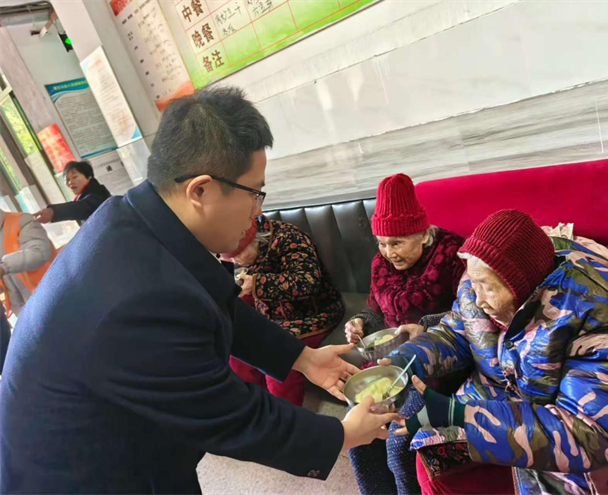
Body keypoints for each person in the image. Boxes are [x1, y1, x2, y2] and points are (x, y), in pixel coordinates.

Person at [0, 87, 399, 495]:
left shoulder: (135, 220)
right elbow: (231, 415)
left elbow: (220, 305)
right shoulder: (134, 299)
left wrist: (303, 358)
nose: (258, 209)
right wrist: (341, 435)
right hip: (82, 475)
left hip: (130, 439)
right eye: (254, 192)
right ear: (200, 190)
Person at [383, 209, 608, 495]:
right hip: (515, 397)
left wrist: (460, 415)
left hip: (601, 438)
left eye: (487, 289)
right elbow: (456, 334)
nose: (478, 299)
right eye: (474, 285)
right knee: (427, 450)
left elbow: (587, 435)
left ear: (523, 288)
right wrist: (405, 361)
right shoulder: (478, 281)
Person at [346, 173, 465, 495]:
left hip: (437, 366)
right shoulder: (380, 263)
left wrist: (426, 325)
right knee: (358, 434)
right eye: (381, 243)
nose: (388, 252)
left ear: (424, 234)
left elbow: (474, 312)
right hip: (389, 364)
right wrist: (360, 322)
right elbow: (375, 309)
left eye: (397, 243)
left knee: (398, 445)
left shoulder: (452, 254)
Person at [222, 214, 345, 406]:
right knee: (237, 350)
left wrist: (257, 283)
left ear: (254, 241)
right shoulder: (236, 244)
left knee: (279, 356)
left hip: (313, 313)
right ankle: (258, 406)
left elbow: (308, 282)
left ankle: (286, 414)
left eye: (237, 255)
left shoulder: (289, 238)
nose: (235, 261)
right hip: (271, 314)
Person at [0, 209, 54, 372]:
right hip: (24, 312)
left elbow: (39, 252)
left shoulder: (21, 221)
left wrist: (4, 267)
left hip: (51, 300)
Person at [34, 160, 111, 225]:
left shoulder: (98, 193)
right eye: (67, 180)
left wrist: (54, 212)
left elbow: (83, 207)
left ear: (89, 177)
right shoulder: (83, 196)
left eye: (75, 177)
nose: (70, 182)